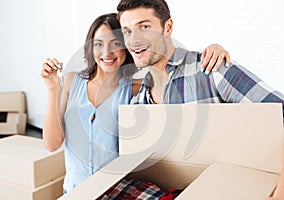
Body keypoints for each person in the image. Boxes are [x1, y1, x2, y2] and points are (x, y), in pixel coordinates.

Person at [40, 13, 231, 193]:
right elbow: (51, 144)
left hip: (114, 192)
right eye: (98, 44)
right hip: (75, 191)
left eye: (115, 43)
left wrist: (213, 50)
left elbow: (168, 72)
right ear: (90, 47)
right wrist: (51, 90)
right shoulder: (71, 82)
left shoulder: (137, 89)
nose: (107, 52)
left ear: (127, 47)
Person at [115, 0, 284, 199]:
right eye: (127, 31)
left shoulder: (211, 69)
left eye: (144, 27)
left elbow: (281, 115)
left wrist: (279, 193)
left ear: (167, 27)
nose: (134, 40)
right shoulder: (139, 104)